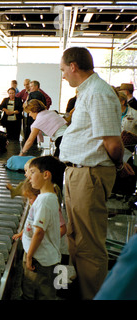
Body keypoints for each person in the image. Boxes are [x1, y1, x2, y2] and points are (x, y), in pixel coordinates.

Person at [59, 46, 134, 300]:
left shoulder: (99, 93)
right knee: (75, 237)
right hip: (78, 173)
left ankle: (94, 295)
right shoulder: (88, 91)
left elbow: (113, 144)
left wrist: (117, 164)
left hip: (89, 175)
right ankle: (82, 290)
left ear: (73, 66)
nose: (63, 76)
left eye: (62, 71)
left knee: (89, 244)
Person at [12, 156, 62, 300]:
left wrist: (29, 256)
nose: (29, 176)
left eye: (32, 172)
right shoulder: (46, 197)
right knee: (31, 288)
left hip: (39, 259)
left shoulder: (45, 201)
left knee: (39, 292)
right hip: (38, 256)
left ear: (46, 175)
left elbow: (39, 232)